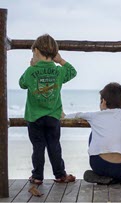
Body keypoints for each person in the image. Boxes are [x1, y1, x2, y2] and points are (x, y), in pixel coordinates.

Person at [19, 34, 77, 185]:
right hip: (53, 116)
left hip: (34, 117)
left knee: (38, 147)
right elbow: (72, 71)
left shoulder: (31, 71)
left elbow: (22, 84)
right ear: (54, 53)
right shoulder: (58, 71)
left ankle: (37, 176)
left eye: (33, 53)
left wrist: (31, 67)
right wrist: (60, 60)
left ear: (36, 51)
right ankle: (60, 174)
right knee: (54, 145)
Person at [66, 82, 121, 184]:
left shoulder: (94, 116)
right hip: (120, 168)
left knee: (94, 133)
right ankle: (114, 180)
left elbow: (72, 116)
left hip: (98, 164)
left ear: (103, 101)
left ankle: (103, 177)